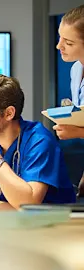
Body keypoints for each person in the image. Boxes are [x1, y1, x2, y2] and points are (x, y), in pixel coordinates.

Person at [0, 74, 76, 211]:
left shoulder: (39, 140)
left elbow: (29, 203)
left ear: (9, 113)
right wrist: (18, 209)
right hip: (2, 228)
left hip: (51, 228)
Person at [54, 4, 84, 195]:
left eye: (68, 43)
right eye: (60, 38)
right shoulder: (76, 69)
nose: (59, 46)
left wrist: (78, 132)